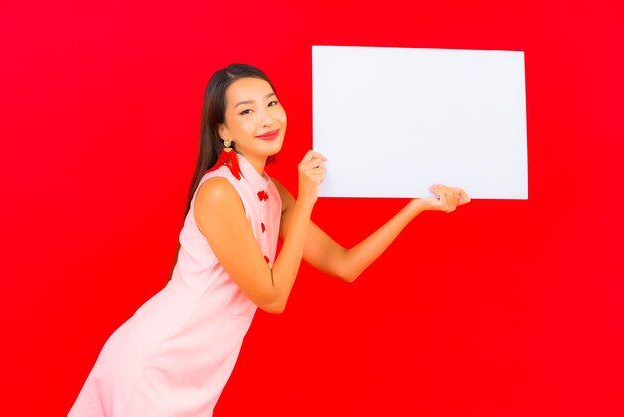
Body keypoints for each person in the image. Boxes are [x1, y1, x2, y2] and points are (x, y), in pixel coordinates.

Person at [68, 63, 470, 417]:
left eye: (271, 103)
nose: (266, 118)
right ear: (222, 130)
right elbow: (273, 298)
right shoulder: (220, 192)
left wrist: (416, 207)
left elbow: (345, 265)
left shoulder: (271, 192)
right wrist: (308, 199)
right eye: (246, 111)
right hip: (158, 361)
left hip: (200, 370)